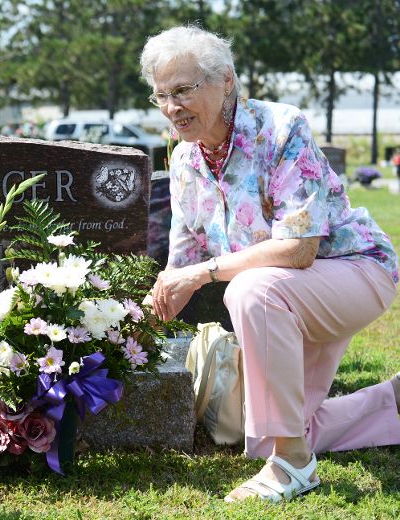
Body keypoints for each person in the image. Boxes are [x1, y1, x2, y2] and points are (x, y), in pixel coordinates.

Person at [140, 26, 400, 503]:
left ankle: (294, 467)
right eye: (161, 95)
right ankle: (391, 403)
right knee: (263, 433)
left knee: (251, 290)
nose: (173, 107)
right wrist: (129, 324)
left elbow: (299, 249)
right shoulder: (183, 161)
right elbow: (182, 260)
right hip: (287, 298)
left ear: (226, 80)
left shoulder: (281, 127)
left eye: (183, 90)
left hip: (353, 270)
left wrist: (203, 273)